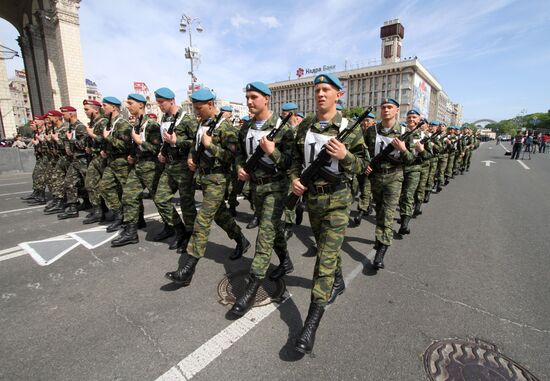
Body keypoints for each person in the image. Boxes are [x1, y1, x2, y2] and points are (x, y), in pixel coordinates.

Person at [289, 73, 368, 354]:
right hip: (312, 201)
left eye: (326, 90)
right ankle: (337, 280)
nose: (320, 94)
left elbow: (363, 166)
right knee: (326, 249)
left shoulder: (350, 128)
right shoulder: (306, 126)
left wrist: (345, 155)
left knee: (323, 259)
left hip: (337, 200)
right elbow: (294, 161)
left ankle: (310, 323)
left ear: (339, 94)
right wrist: (294, 180)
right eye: (317, 90)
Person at [164, 88, 250, 287]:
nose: (196, 112)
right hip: (204, 178)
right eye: (194, 108)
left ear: (210, 105)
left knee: (202, 221)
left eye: (199, 108)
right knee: (221, 216)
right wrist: (191, 159)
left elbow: (232, 157)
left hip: (218, 179)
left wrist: (210, 146)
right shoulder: (202, 123)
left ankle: (188, 269)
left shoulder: (226, 127)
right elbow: (195, 147)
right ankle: (241, 240)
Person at [229, 82, 294, 317]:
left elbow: (290, 163)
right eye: (246, 97)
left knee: (264, 235)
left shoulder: (282, 127)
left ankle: (252, 287)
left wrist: (272, 151)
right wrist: (240, 168)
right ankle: (285, 260)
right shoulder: (245, 127)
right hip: (255, 189)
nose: (249, 101)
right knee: (274, 230)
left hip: (276, 189)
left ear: (267, 98)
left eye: (254, 97)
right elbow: (239, 154)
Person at [365, 98, 415, 269]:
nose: (386, 110)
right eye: (383, 107)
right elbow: (364, 152)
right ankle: (380, 239)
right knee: (379, 210)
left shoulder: (405, 131)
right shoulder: (371, 130)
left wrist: (403, 150)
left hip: (394, 177)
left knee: (388, 213)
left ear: (396, 110)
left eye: (390, 107)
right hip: (376, 177)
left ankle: (381, 251)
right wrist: (367, 166)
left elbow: (412, 161)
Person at [111, 94, 162, 247]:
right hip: (138, 166)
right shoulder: (136, 124)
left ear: (141, 105)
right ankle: (131, 231)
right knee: (129, 196)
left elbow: (156, 148)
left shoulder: (152, 124)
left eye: (130, 103)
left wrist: (141, 141)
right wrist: (133, 155)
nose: (127, 106)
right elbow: (135, 145)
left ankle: (174, 227)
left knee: (160, 201)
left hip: (151, 167)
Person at [152, 87, 198, 252]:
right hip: (169, 165)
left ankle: (190, 235)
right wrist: (162, 152)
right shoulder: (164, 118)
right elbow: (165, 140)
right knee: (160, 199)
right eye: (157, 102)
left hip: (184, 166)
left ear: (171, 100)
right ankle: (178, 230)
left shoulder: (188, 119)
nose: (159, 105)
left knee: (187, 205)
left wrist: (177, 141)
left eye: (161, 102)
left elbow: (197, 143)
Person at [97, 96, 133, 232]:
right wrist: (105, 149)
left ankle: (136, 219)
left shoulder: (123, 124)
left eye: (105, 105)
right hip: (111, 161)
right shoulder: (109, 123)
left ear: (114, 107)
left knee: (127, 193)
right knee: (105, 187)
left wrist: (109, 138)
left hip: (122, 162)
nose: (103, 108)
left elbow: (125, 146)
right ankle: (119, 214)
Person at [397, 109, 429, 234]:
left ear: (419, 119)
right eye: (409, 117)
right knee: (400, 195)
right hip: (399, 168)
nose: (411, 119)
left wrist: (421, 150)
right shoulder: (400, 133)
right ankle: (403, 216)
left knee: (408, 195)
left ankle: (404, 224)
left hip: (414, 170)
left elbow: (428, 156)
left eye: (414, 117)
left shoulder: (423, 136)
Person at [57, 105, 89, 219]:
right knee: (69, 182)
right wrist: (68, 147)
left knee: (88, 184)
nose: (63, 116)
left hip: (83, 160)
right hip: (75, 160)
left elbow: (83, 145)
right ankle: (73, 207)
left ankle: (98, 207)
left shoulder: (80, 127)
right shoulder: (71, 127)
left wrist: (72, 140)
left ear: (71, 114)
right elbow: (68, 141)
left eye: (64, 113)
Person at [82, 100, 109, 224]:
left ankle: (113, 211)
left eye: (87, 109)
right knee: (91, 184)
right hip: (94, 157)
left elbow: (107, 140)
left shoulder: (103, 122)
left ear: (96, 110)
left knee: (109, 187)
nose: (86, 112)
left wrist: (92, 135)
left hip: (102, 157)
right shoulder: (93, 123)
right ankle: (99, 210)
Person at [351, 111, 376, 226]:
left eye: (368, 121)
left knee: (366, 188)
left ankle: (360, 212)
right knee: (355, 187)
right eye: (364, 120)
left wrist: (371, 165)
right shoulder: (358, 131)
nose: (365, 123)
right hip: (358, 164)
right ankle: (367, 205)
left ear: (373, 122)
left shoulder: (376, 133)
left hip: (370, 165)